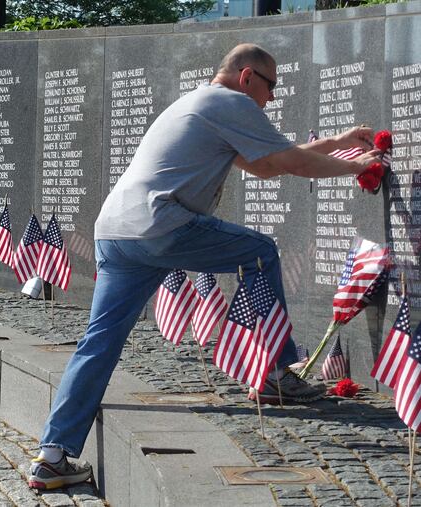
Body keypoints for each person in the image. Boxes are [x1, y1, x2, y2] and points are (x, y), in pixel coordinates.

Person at [27, 43, 382, 490]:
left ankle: (53, 455)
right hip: (163, 225)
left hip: (115, 234)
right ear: (248, 76)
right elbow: (284, 161)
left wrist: (337, 144)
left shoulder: (196, 103)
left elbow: (264, 167)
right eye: (270, 86)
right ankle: (273, 374)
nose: (270, 99)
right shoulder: (228, 101)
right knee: (262, 252)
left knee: (98, 343)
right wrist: (356, 167)